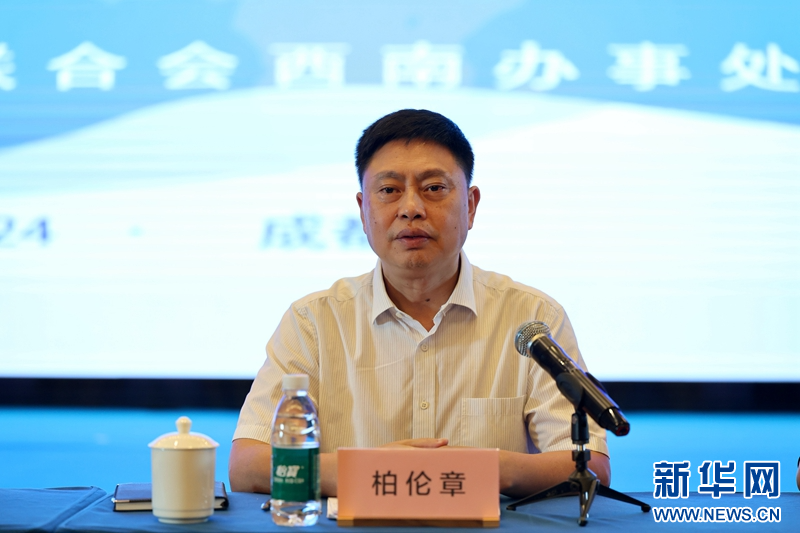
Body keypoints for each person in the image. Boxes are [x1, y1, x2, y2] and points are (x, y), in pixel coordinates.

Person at [229, 109, 610, 498]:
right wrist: (372, 471)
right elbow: (248, 465)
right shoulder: (313, 321)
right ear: (363, 211)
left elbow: (589, 465)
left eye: (434, 188)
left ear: (471, 206)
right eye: (389, 190)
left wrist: (478, 468)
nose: (411, 208)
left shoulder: (533, 318)